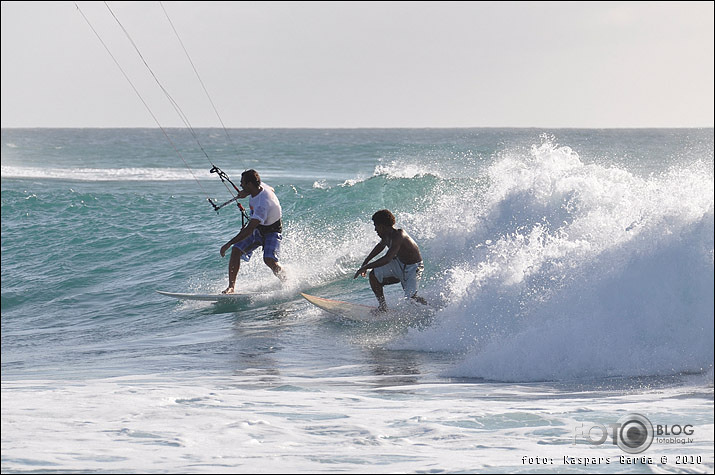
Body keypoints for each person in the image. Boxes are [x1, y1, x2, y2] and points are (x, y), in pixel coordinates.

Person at [220, 169, 286, 293]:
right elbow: (271, 188)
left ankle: (287, 280)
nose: (240, 186)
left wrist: (227, 244)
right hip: (259, 228)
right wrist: (246, 193)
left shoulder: (263, 204)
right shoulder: (260, 186)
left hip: (272, 230)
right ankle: (231, 287)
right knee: (236, 250)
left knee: (269, 260)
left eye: (242, 184)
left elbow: (249, 229)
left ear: (250, 184)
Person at [353, 209, 427, 311]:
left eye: (376, 226)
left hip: (413, 268)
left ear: (382, 226)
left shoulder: (398, 236)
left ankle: (429, 307)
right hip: (399, 263)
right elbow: (380, 246)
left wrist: (367, 266)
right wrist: (366, 261)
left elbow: (387, 258)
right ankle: (383, 307)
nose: (375, 229)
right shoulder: (386, 236)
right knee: (374, 276)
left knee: (411, 300)